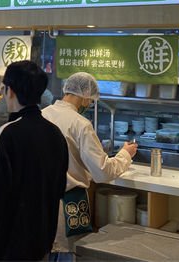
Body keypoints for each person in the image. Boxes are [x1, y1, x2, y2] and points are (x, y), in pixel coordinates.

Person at [0, 60, 68, 261]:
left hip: (6, 247)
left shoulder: (7, 134)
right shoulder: (55, 134)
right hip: (40, 245)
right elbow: (59, 189)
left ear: (10, 91)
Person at [42, 72, 138, 258]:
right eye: (90, 100)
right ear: (85, 96)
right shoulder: (81, 124)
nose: (89, 104)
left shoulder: (42, 115)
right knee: (66, 254)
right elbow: (102, 171)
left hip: (38, 205)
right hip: (68, 206)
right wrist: (125, 154)